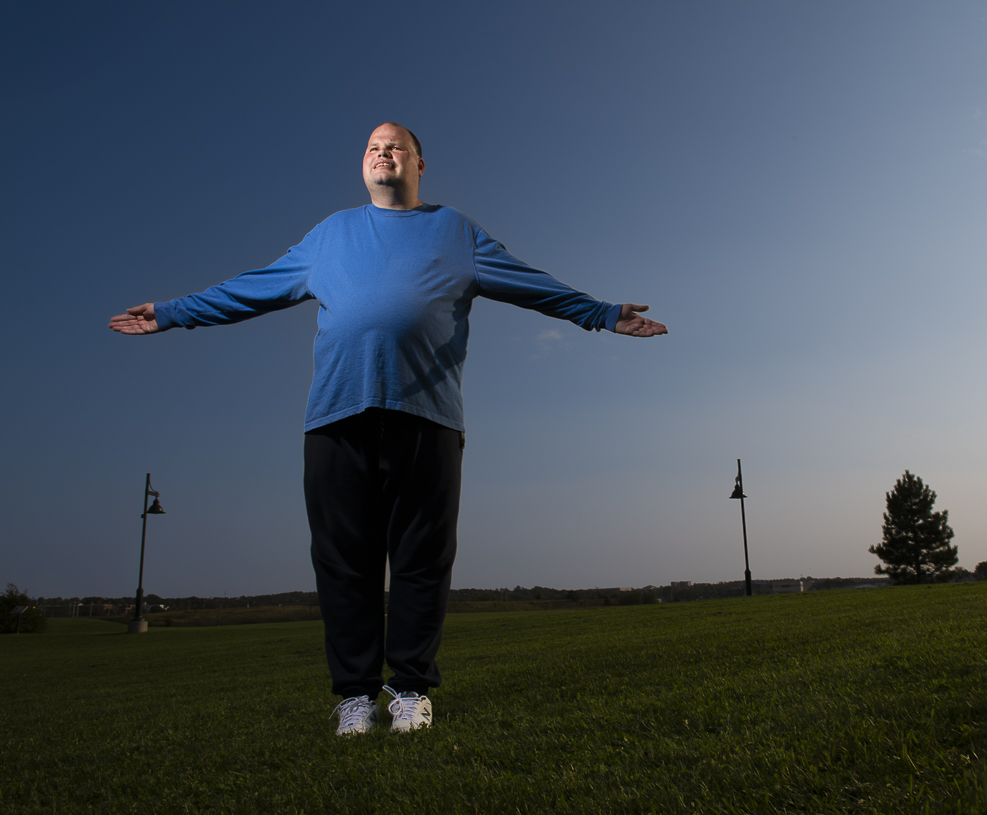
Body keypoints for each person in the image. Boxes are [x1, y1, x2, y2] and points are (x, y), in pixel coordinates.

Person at [109, 122, 668, 735]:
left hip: (426, 418)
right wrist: (171, 314)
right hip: (335, 419)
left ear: (419, 164)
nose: (383, 153)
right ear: (363, 165)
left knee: (420, 561)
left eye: (395, 146)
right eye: (373, 147)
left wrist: (602, 314)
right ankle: (354, 697)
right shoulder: (330, 235)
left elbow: (532, 283)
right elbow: (252, 289)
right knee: (343, 562)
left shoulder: (455, 231)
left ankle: (408, 692)